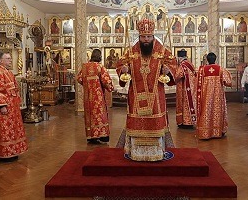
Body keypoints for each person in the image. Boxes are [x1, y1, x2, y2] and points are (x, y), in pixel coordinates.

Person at [116, 18, 177, 161]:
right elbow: (120, 65)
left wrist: (168, 70)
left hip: (156, 98)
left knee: (155, 124)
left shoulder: (162, 51)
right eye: (143, 37)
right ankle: (136, 153)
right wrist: (123, 70)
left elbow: (175, 66)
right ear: (139, 36)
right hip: (136, 96)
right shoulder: (130, 52)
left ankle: (157, 152)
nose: (146, 40)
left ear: (153, 35)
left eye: (149, 36)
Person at [77, 49, 114, 144]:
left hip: (87, 96)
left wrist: (87, 84)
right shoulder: (99, 67)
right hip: (98, 96)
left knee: (90, 116)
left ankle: (91, 137)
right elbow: (106, 80)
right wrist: (110, 87)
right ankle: (102, 136)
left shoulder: (84, 67)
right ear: (100, 56)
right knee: (99, 115)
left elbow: (79, 78)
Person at [196, 52, 232, 139]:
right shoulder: (221, 69)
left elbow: (197, 82)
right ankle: (217, 132)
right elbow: (228, 82)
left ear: (207, 60)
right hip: (217, 96)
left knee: (206, 111)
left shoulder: (202, 70)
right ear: (215, 59)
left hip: (206, 96)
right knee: (217, 111)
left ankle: (206, 133)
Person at [175, 49, 197, 129]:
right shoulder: (190, 64)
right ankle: (191, 121)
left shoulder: (182, 65)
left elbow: (177, 76)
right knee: (191, 105)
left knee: (185, 105)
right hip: (192, 88)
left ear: (179, 58)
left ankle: (185, 122)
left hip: (185, 90)